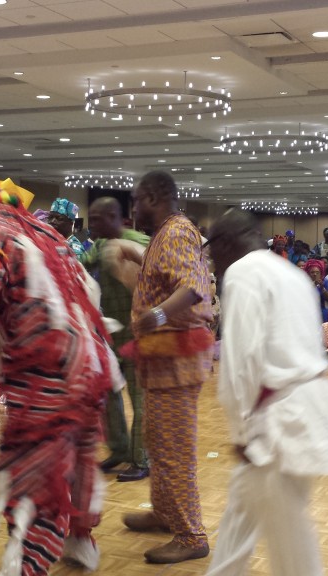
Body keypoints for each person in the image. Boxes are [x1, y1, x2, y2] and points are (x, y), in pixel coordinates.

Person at [0, 175, 116, 574]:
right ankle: (80, 541)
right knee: (76, 459)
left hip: (46, 377)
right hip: (88, 369)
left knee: (39, 474)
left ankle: (27, 564)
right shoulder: (47, 235)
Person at [203, 208, 328, 576]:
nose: (213, 262)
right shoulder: (291, 274)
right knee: (242, 512)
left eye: (211, 253)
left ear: (225, 243)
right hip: (306, 404)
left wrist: (242, 430)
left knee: (291, 540)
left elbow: (242, 359)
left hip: (280, 418)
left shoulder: (241, 273)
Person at [122, 170, 214, 564]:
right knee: (158, 442)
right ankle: (164, 513)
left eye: (137, 200)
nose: (133, 208)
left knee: (173, 449)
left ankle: (191, 535)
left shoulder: (175, 232)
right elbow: (168, 275)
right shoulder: (168, 233)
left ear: (156, 198)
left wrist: (156, 316)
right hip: (164, 361)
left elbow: (192, 285)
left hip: (175, 360)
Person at [81, 196, 151, 482]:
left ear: (113, 216)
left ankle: (140, 458)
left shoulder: (139, 242)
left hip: (139, 336)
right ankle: (120, 449)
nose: (92, 224)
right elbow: (79, 266)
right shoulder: (98, 246)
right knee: (108, 395)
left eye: (97, 219)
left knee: (140, 399)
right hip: (111, 337)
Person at [304, 258, 328, 323]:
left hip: (321, 311)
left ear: (320, 273)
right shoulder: (305, 283)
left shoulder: (324, 282)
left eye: (317, 272)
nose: (315, 274)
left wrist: (322, 288)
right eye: (312, 272)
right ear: (308, 273)